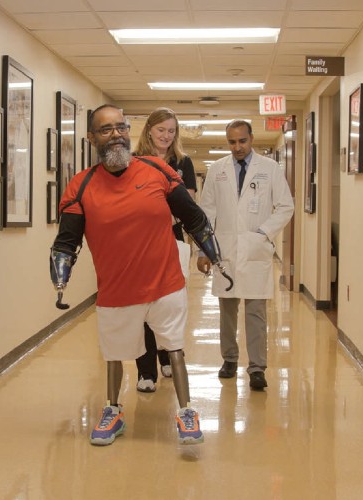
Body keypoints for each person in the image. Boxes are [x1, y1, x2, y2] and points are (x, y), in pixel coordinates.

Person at [50, 104, 227, 446]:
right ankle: (112, 410)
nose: (116, 134)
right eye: (106, 130)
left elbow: (192, 216)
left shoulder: (156, 169)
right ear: (92, 138)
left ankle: (187, 410)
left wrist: (212, 255)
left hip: (165, 282)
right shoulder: (81, 186)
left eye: (120, 128)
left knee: (173, 347)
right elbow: (66, 242)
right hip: (116, 289)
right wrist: (61, 278)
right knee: (115, 352)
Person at [197, 120, 294, 390]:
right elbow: (206, 214)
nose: (237, 147)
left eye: (242, 141)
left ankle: (257, 368)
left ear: (251, 139)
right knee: (227, 310)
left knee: (256, 312)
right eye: (232, 142)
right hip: (224, 249)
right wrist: (202, 250)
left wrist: (263, 233)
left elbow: (286, 207)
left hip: (255, 248)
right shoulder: (217, 170)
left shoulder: (270, 168)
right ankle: (229, 359)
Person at [133, 107, 197, 393]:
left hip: (172, 239)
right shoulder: (133, 161)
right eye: (161, 130)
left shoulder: (184, 162)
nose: (166, 136)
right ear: (149, 130)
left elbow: (189, 204)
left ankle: (166, 356)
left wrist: (161, 218)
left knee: (168, 305)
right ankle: (145, 372)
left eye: (172, 131)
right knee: (142, 307)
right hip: (139, 243)